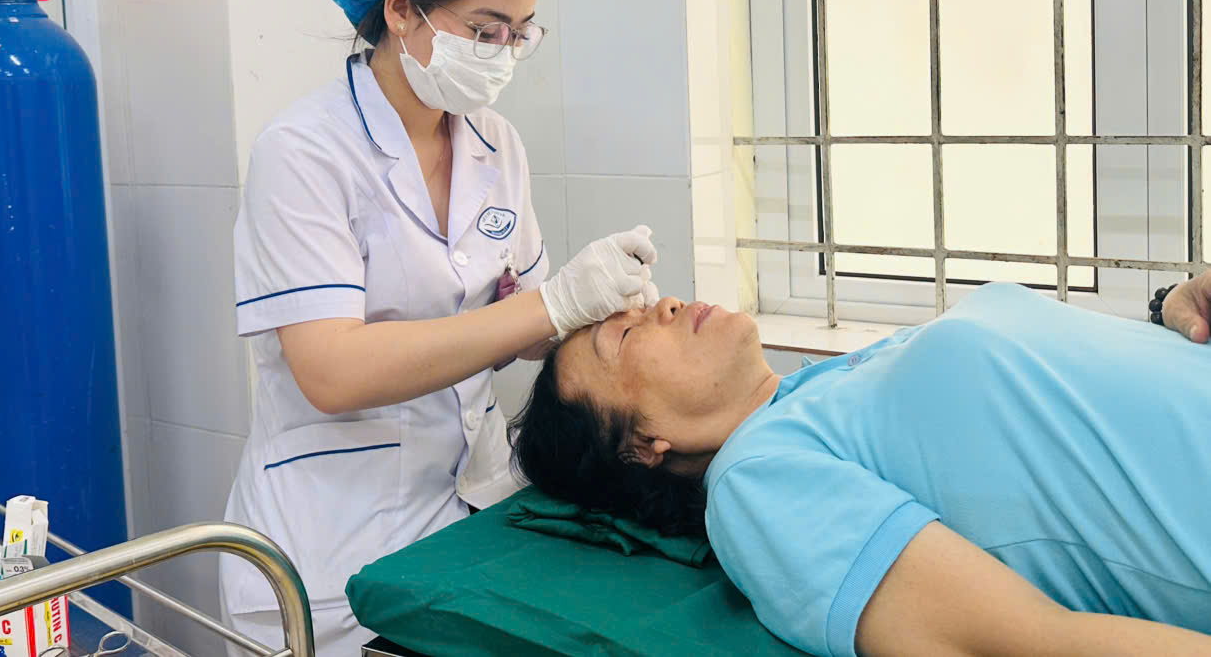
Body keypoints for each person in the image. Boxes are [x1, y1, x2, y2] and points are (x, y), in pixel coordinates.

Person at [219, 0, 660, 656]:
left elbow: (524, 323)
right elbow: (332, 371)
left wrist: (599, 304)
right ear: (401, 12)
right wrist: (553, 306)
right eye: (485, 30)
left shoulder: (494, 142)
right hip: (330, 545)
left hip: (466, 515)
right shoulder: (304, 152)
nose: (504, 53)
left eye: (521, 33)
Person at [511, 278, 1211, 657]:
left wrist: (1166, 311)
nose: (664, 303)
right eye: (626, 334)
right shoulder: (757, 481)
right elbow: (1030, 643)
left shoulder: (829, 386)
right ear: (642, 444)